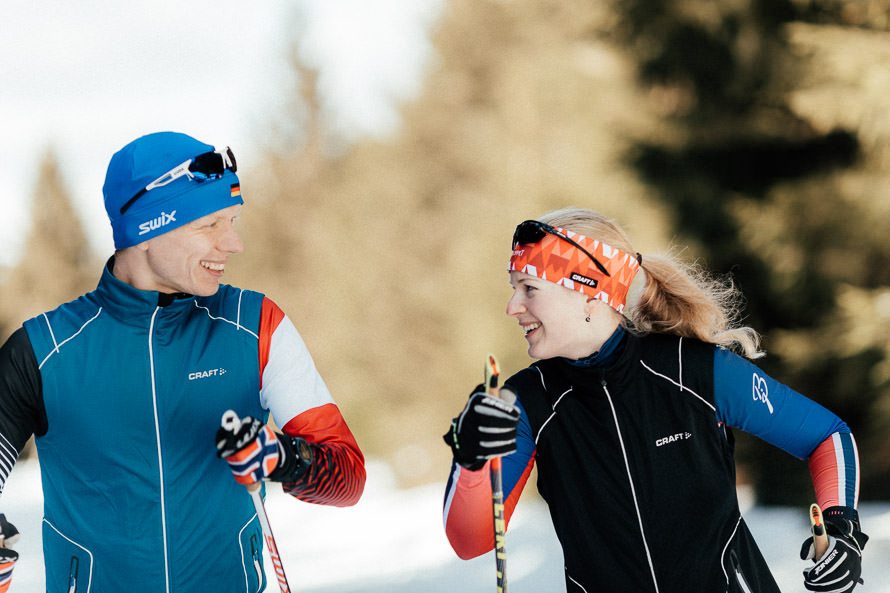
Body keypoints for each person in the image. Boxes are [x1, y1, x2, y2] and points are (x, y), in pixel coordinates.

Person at [0, 131, 366, 592]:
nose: (233, 243)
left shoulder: (256, 327)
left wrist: (283, 457)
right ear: (148, 231)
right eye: (209, 225)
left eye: (231, 221)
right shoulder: (44, 350)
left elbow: (348, 477)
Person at [442, 208, 868, 593]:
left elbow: (827, 436)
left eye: (529, 288)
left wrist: (842, 528)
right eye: (514, 288)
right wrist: (472, 460)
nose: (512, 306)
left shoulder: (694, 370)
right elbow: (470, 542)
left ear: (589, 292)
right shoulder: (523, 402)